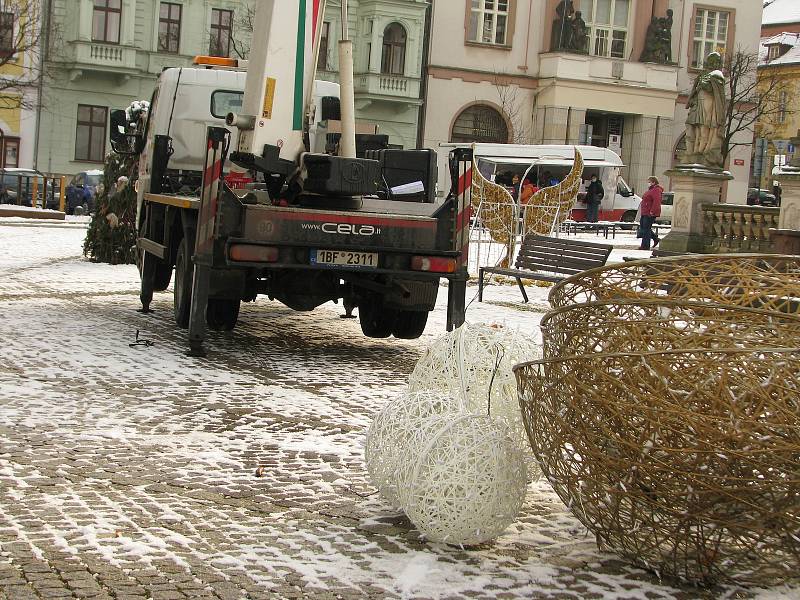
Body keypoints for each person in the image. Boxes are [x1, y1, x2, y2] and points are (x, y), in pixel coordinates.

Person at [639, 176, 663, 250]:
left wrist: (652, 211)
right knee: (644, 227)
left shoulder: (656, 190)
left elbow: (656, 202)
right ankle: (655, 239)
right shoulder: (651, 190)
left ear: (654, 182)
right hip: (645, 212)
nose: (648, 183)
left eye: (649, 182)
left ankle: (645, 245)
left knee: (646, 228)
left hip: (650, 213)